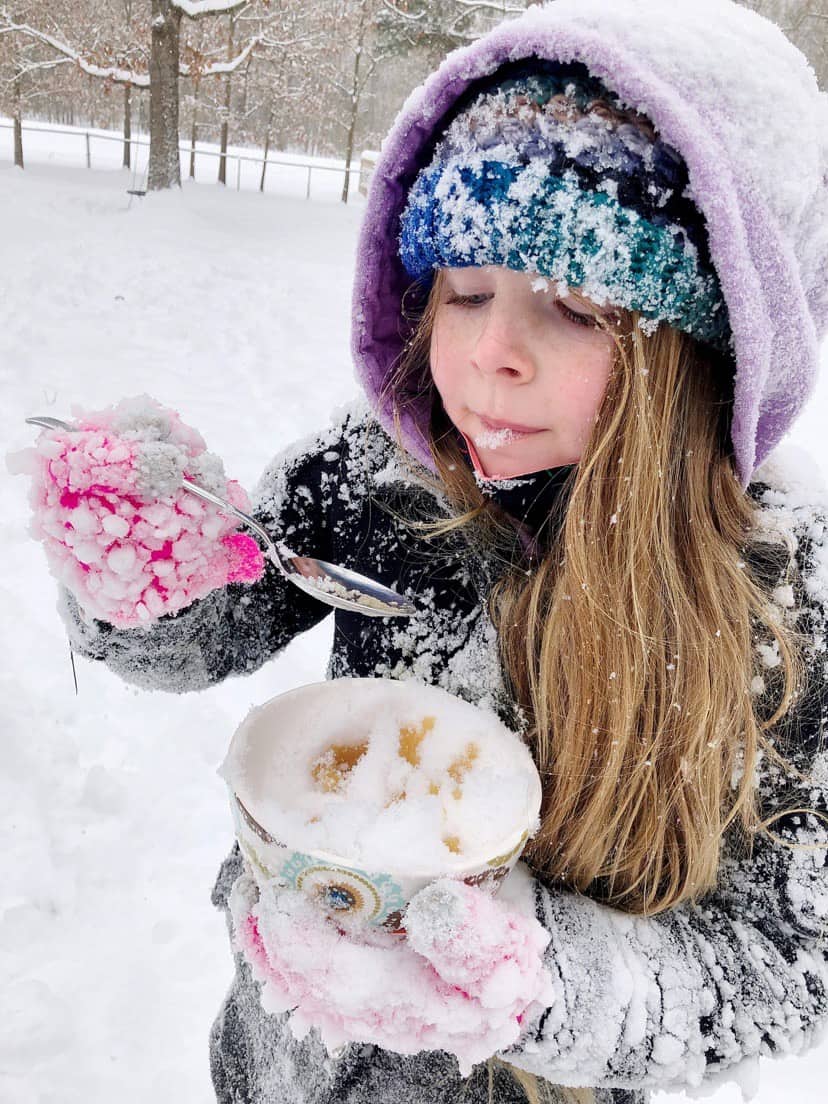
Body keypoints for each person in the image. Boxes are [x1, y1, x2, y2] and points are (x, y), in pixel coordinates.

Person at [24, 1, 828, 1101]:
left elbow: (782, 962)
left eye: (576, 309)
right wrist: (147, 581)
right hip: (284, 1062)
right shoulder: (384, 472)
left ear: (706, 348)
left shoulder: (780, 601)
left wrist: (537, 986)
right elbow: (216, 627)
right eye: (463, 293)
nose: (492, 353)